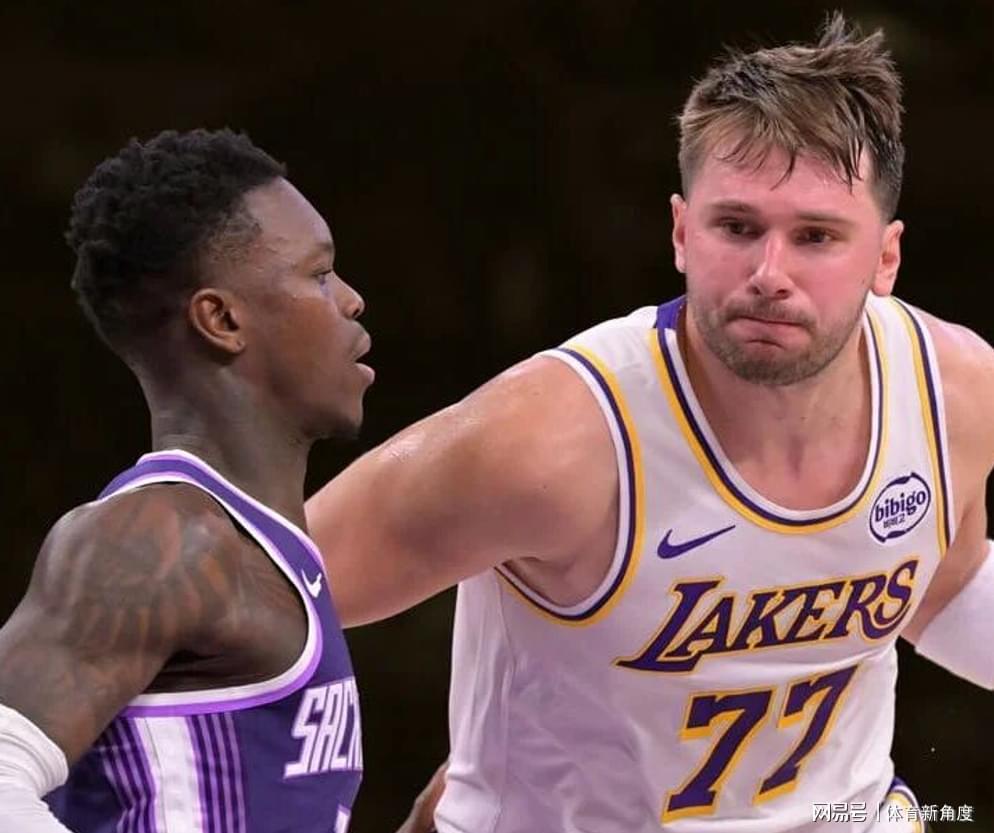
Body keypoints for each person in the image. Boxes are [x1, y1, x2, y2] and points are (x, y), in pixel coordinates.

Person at [305, 14, 994, 832]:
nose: (770, 272)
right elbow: (263, 592)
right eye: (737, 227)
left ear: (886, 256)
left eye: (816, 236)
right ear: (681, 233)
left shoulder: (954, 388)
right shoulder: (549, 439)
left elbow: (942, 585)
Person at [0, 128, 435, 833]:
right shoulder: (160, 540)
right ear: (222, 319)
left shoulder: (266, 550)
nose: (352, 300)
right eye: (319, 275)